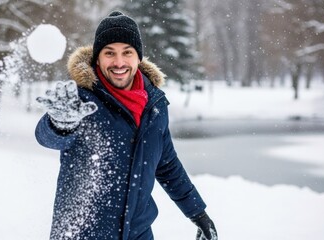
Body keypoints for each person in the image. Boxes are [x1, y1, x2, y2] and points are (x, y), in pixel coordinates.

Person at [35, 11, 217, 240]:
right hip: (82, 234)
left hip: (138, 233)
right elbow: (47, 137)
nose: (119, 62)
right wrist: (59, 123)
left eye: (127, 53)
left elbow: (167, 164)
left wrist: (198, 213)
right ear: (97, 59)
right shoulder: (81, 100)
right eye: (109, 53)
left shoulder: (155, 106)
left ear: (138, 58)